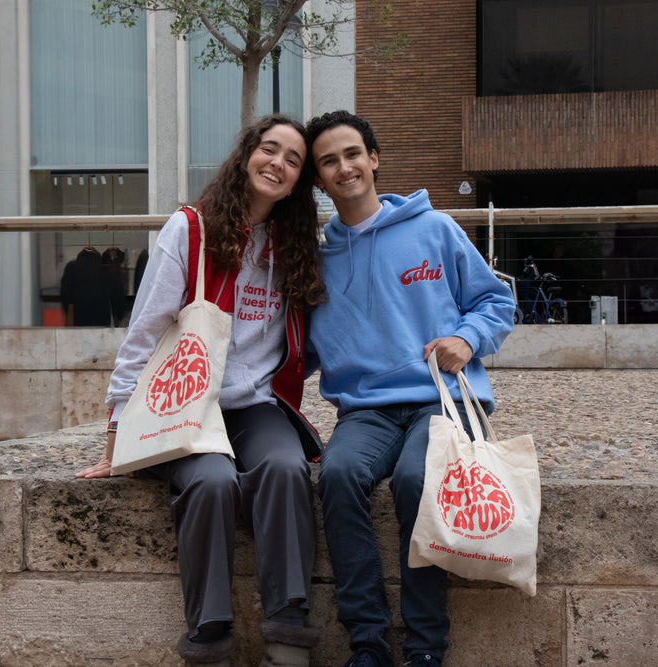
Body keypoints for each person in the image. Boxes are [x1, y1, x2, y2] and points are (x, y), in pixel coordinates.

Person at [76, 114, 326, 667]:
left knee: (287, 470)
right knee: (212, 483)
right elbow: (142, 333)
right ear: (246, 155)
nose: (278, 164)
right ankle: (210, 640)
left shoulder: (298, 245)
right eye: (269, 149)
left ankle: (288, 636)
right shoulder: (190, 229)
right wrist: (118, 429)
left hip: (256, 406)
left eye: (293, 160)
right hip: (187, 405)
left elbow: (310, 341)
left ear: (300, 180)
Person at [303, 110, 516, 667]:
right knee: (340, 476)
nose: (344, 167)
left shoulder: (435, 229)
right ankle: (368, 642)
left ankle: (425, 647)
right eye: (329, 161)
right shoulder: (317, 261)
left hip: (441, 398)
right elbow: (297, 347)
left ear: (373, 159)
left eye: (353, 154)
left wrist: (467, 340)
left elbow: (496, 301)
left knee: (418, 479)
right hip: (366, 411)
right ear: (319, 179)